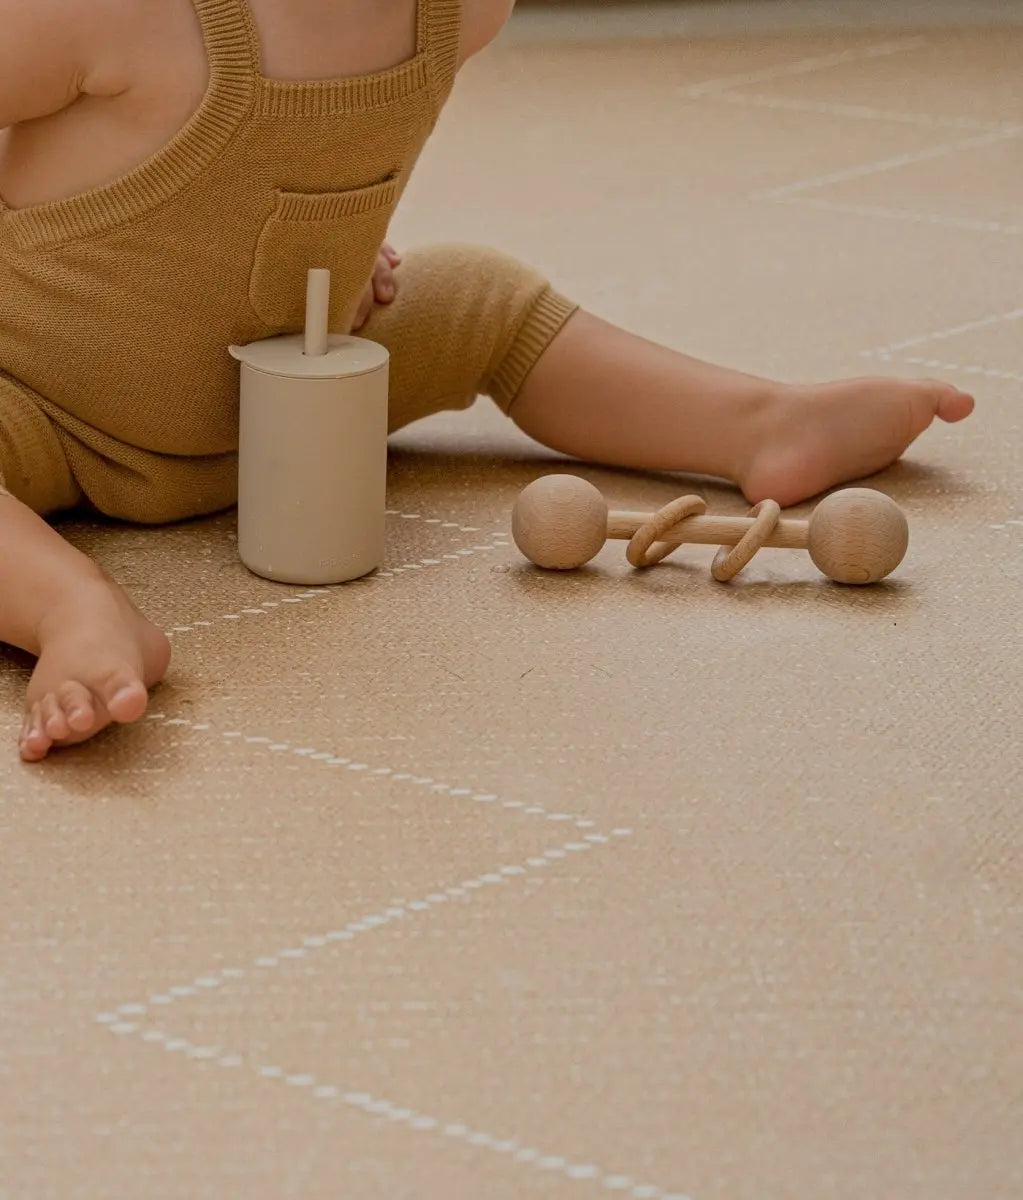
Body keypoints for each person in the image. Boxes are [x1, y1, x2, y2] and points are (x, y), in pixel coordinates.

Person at [0, 0, 974, 762]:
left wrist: (334, 251)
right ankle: (67, 605)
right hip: (37, 404)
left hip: (307, 398)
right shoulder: (105, 11)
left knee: (477, 296)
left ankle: (755, 422)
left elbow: (303, 163)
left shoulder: (462, 9)